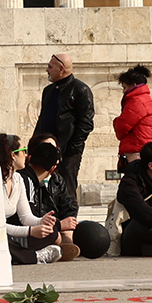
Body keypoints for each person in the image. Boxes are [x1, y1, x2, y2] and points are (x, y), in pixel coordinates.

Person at [32, 53, 95, 218]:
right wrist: (34, 144)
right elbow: (42, 119)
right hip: (45, 149)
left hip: (68, 152)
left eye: (50, 66)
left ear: (61, 69)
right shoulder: (49, 91)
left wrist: (69, 149)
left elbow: (86, 124)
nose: (47, 69)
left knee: (66, 188)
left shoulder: (80, 90)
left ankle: (69, 226)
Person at [0, 136, 64, 265]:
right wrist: (29, 231)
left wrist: (41, 221)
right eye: (24, 150)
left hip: (10, 232)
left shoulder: (17, 179)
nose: (27, 155)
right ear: (13, 155)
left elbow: (26, 217)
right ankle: (34, 256)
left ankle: (27, 252)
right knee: (1, 241)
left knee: (51, 234)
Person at [112, 65, 152, 176]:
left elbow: (121, 128)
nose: (123, 91)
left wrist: (116, 121)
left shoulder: (136, 101)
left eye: (124, 87)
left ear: (133, 85)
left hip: (137, 149)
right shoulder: (144, 98)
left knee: (136, 182)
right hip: (143, 147)